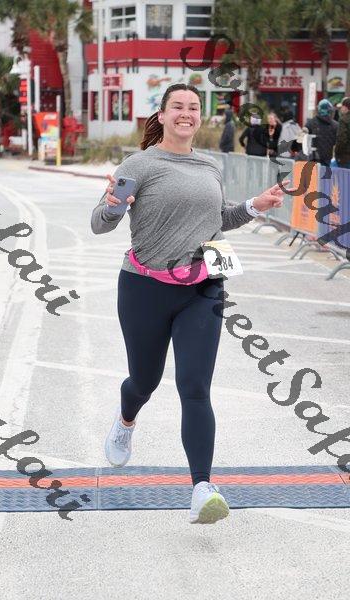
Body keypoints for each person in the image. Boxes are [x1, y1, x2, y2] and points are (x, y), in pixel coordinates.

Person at [91, 83, 287, 525]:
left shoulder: (209, 165)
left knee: (195, 387)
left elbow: (218, 219)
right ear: (161, 115)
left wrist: (254, 206)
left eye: (193, 107)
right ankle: (126, 420)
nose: (186, 113)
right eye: (177, 106)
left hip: (203, 288)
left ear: (200, 116)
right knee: (144, 380)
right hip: (144, 288)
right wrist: (113, 206)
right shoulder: (139, 165)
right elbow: (100, 224)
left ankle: (202, 488)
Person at [304, 99, 338, 166]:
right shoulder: (335, 125)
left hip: (313, 159)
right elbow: (337, 143)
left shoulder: (310, 123)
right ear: (330, 110)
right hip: (328, 159)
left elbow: (304, 142)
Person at [334, 96, 350, 169]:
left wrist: (337, 152)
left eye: (342, 107)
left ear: (346, 107)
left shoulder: (344, 120)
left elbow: (341, 139)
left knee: (344, 175)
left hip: (345, 157)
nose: (341, 109)